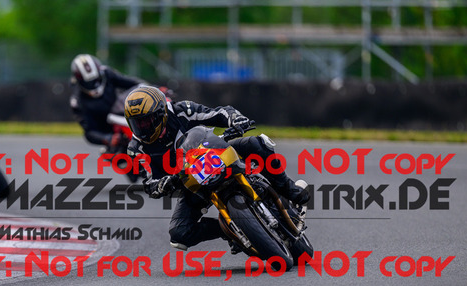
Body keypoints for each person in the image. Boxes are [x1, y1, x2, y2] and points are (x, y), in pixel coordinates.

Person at [124, 85, 310, 251]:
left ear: (161, 114)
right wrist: (162, 185)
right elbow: (149, 184)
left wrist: (236, 119)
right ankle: (230, 230)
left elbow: (219, 113)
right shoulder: (136, 149)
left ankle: (289, 189)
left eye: (147, 121)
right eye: (137, 123)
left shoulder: (181, 111)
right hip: (189, 182)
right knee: (179, 233)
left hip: (214, 152)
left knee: (256, 144)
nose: (143, 128)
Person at [69, 54, 144, 151]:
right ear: (80, 81)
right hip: (109, 128)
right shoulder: (77, 102)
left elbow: (133, 83)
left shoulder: (107, 73)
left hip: (123, 110)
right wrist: (108, 138)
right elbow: (89, 132)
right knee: (117, 153)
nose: (94, 84)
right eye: (89, 82)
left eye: (96, 80)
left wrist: (153, 90)